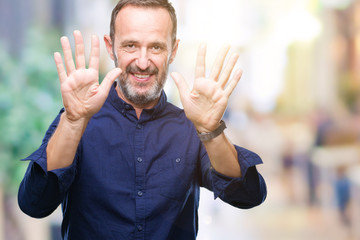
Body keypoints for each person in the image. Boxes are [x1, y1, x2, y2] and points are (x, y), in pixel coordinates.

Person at [18, 0, 267, 239]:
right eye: (130, 46)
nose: (143, 62)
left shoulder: (193, 128)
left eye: (156, 47)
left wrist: (210, 129)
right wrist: (73, 122)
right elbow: (35, 203)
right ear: (110, 45)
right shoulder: (78, 119)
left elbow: (248, 194)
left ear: (173, 50)